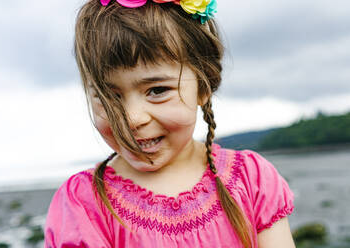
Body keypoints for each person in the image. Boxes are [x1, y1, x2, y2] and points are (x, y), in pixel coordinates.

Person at [44, 0, 296, 247]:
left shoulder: (251, 180)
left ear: (203, 85)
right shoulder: (84, 204)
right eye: (109, 97)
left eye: (157, 90)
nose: (132, 119)